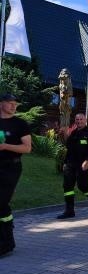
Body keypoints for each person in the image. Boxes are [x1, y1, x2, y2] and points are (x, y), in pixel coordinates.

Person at [0, 94, 32, 256]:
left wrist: (5, 146)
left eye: (15, 104)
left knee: (1, 201)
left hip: (10, 168)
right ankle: (6, 240)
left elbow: (27, 148)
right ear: (1, 104)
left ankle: (6, 242)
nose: (14, 106)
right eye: (10, 103)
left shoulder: (20, 124)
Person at [58, 113, 88, 219]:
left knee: (82, 185)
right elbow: (68, 146)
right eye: (77, 119)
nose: (79, 121)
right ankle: (69, 211)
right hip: (70, 164)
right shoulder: (73, 133)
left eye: (81, 119)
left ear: (85, 120)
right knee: (67, 186)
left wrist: (87, 161)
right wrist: (64, 135)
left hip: (83, 164)